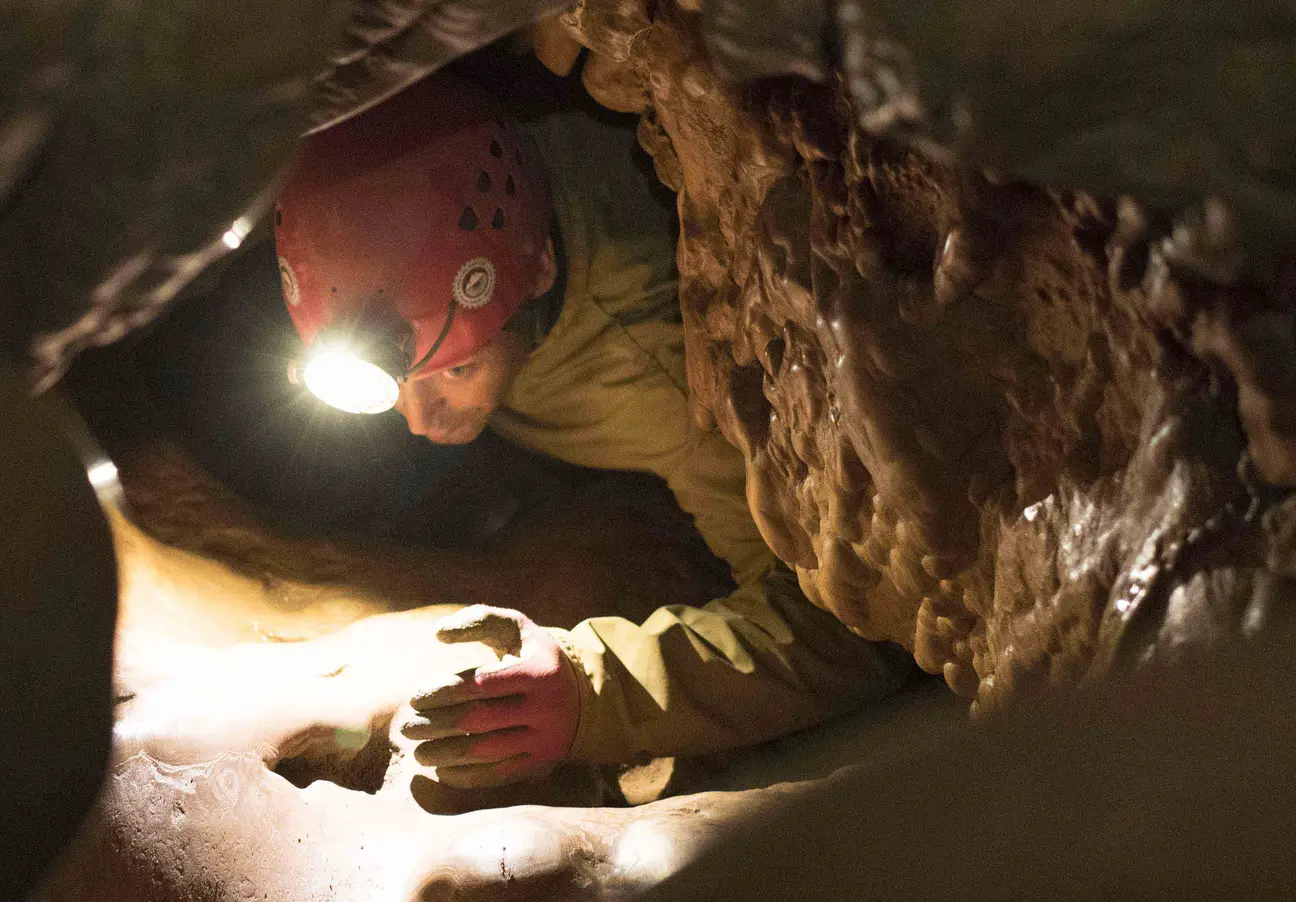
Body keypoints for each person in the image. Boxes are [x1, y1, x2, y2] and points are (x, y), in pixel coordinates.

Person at [272, 74, 912, 790]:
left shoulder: (668, 376)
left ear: (538, 269)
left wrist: (593, 693)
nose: (421, 421)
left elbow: (857, 630)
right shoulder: (435, 209)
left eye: (456, 372)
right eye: (387, 389)